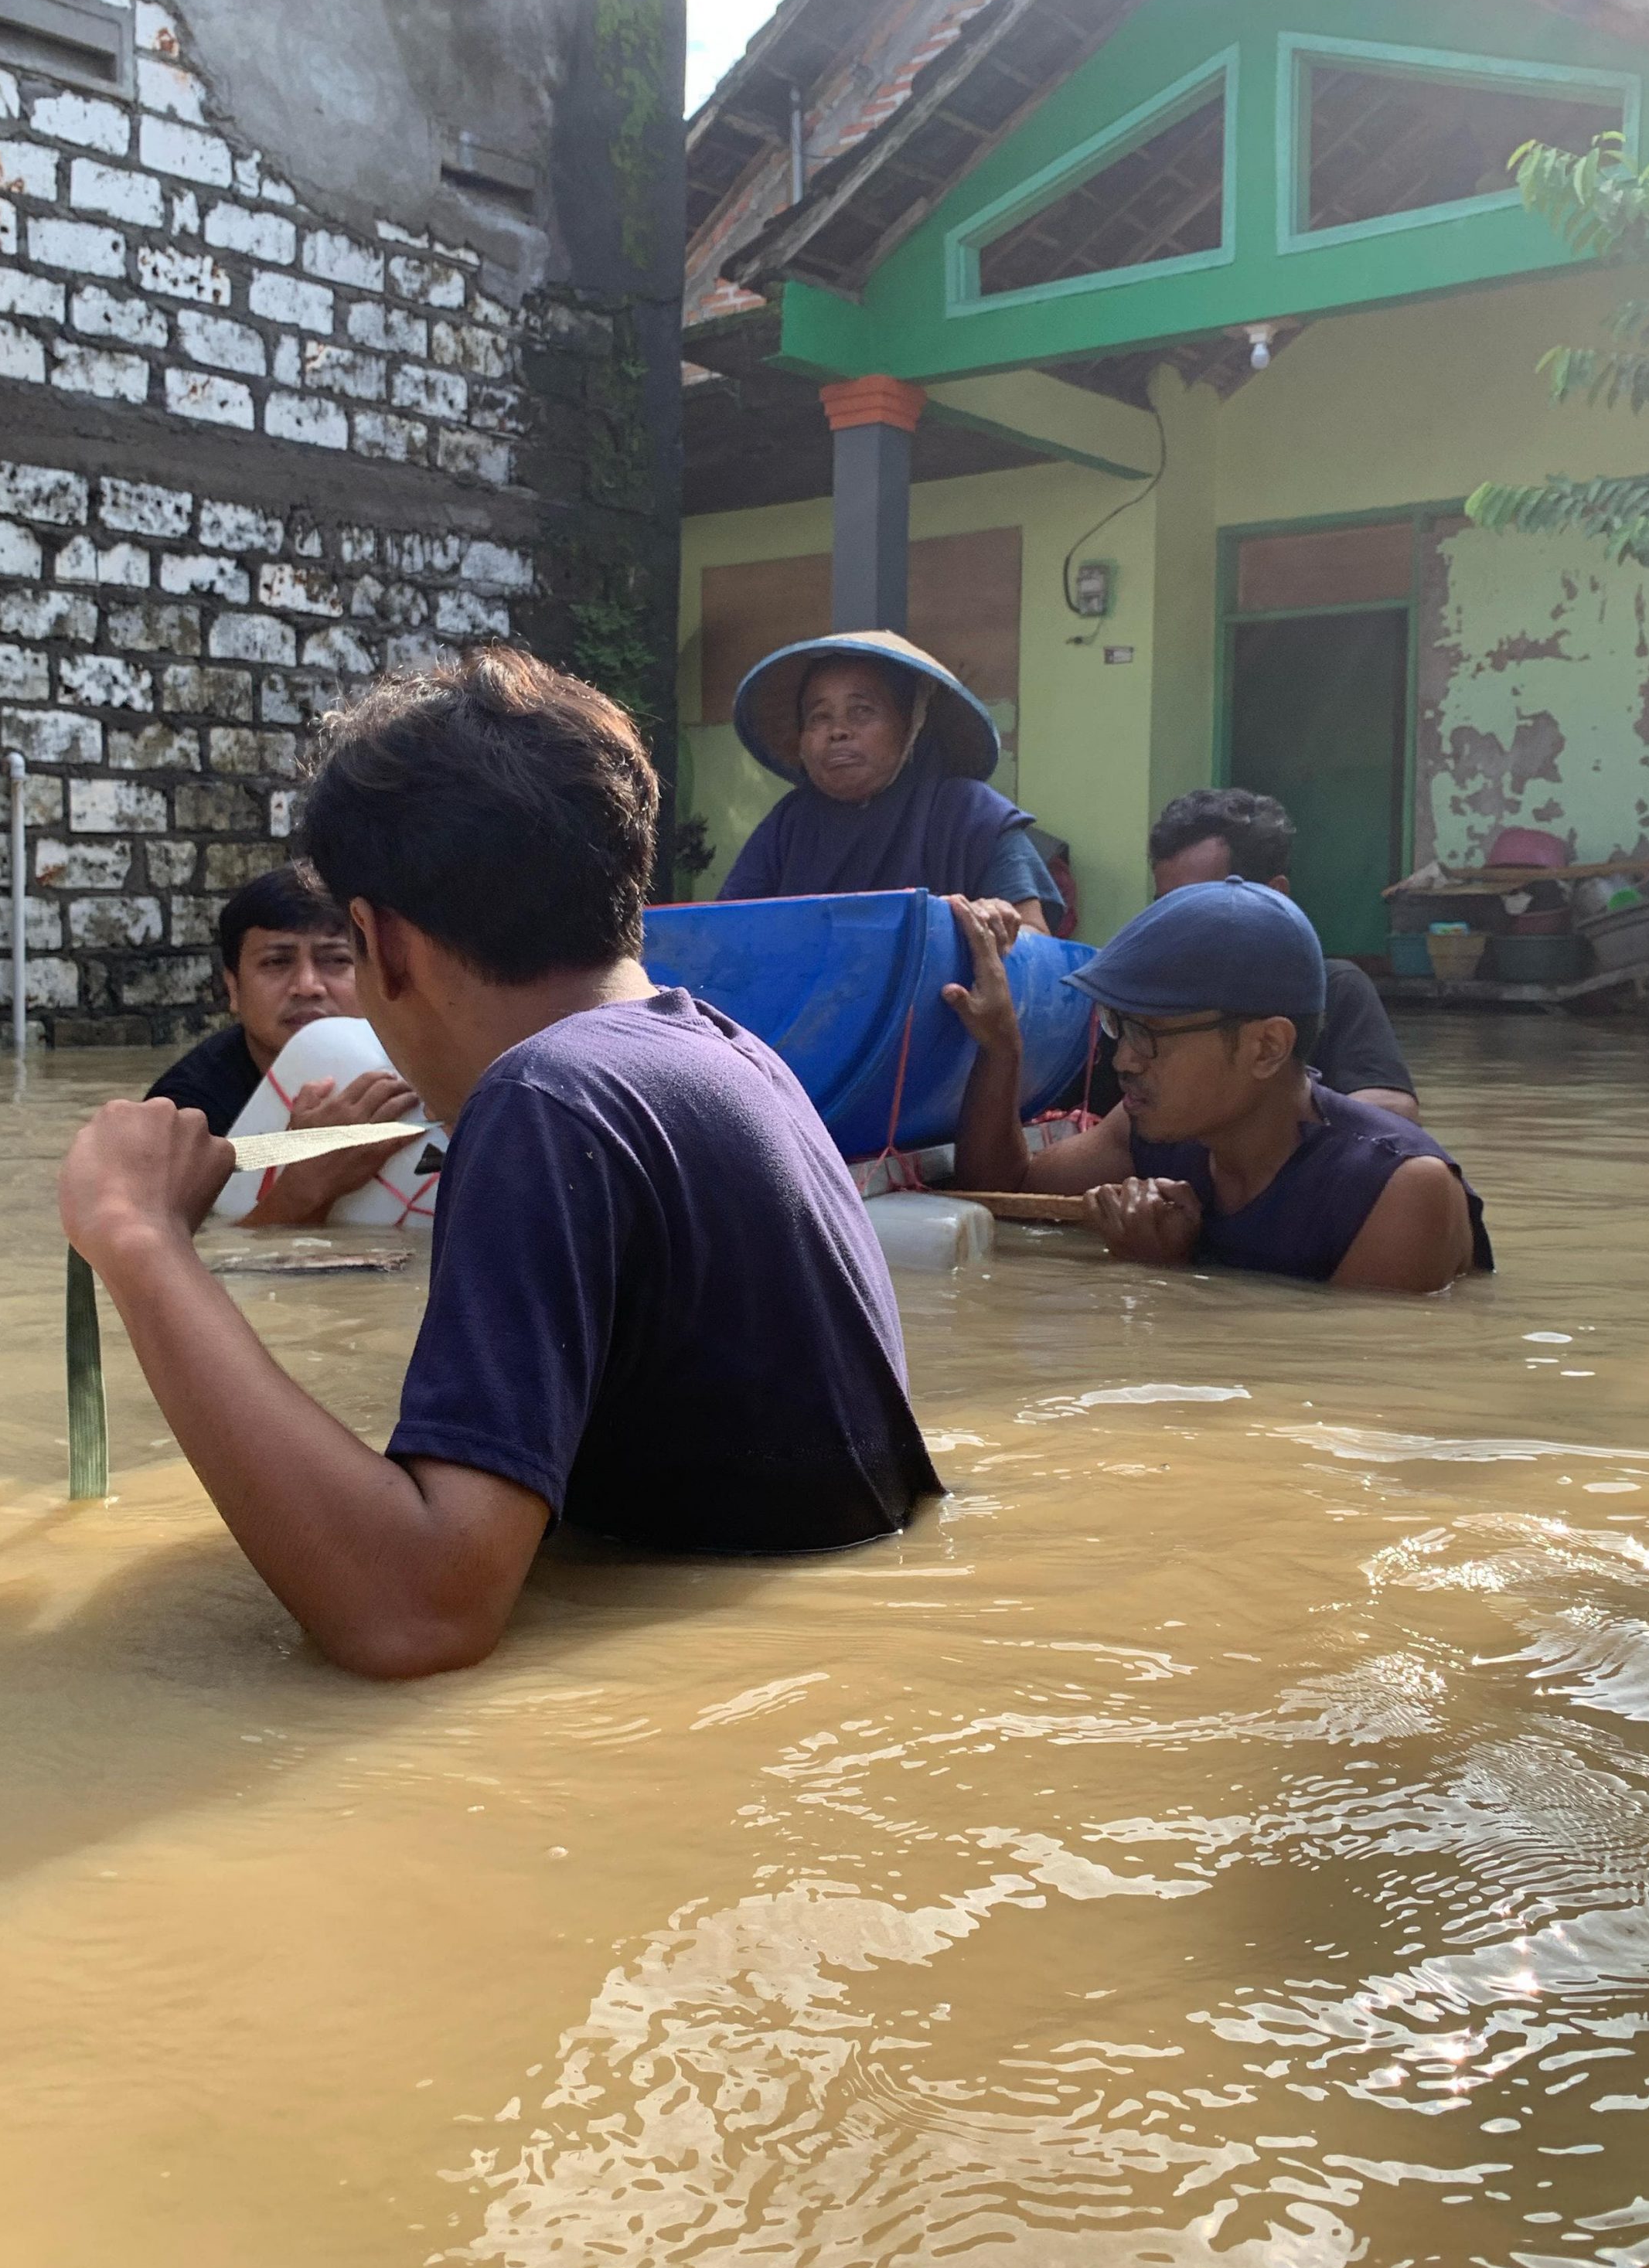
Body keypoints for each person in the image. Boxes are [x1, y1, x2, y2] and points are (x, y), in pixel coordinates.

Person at [59, 651, 942, 1680]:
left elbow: (412, 1617)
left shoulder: (545, 1100)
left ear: (380, 945)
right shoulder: (736, 1058)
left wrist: (139, 1239)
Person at [947, 880, 1491, 1293]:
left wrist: (1164, 1277)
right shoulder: (1158, 1128)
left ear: (1266, 1048)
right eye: (1119, 1027)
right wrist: (999, 1047)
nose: (1126, 1061)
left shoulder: (1398, 1191)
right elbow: (1006, 1191)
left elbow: (1335, 1394)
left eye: (1150, 1034)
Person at [718, 631, 1062, 941]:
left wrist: (994, 927)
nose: (838, 731)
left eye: (862, 711)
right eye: (819, 717)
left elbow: (1037, 938)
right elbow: (725, 932)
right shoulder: (789, 824)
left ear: (911, 726)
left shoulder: (973, 814)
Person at [145, 867, 420, 1229]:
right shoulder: (188, 1113)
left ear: (380, 974)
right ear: (233, 988)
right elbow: (189, 1259)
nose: (307, 986)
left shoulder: (431, 1068)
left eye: (337, 960)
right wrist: (307, 1185)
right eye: (277, 962)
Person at [1139, 788, 1418, 1114]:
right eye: (1166, 907)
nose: (1177, 925)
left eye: (1202, 904)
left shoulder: (1334, 988)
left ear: (1274, 894)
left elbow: (1395, 1109)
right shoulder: (1141, 991)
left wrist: (1249, 1112)